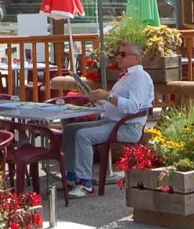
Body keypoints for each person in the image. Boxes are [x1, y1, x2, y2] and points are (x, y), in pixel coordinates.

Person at [62, 41, 154, 198]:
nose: (118, 57)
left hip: (126, 127)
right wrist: (98, 100)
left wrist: (107, 96)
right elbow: (113, 103)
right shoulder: (127, 77)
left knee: (83, 135)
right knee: (70, 129)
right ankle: (73, 176)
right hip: (111, 121)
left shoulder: (140, 77)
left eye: (123, 54)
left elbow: (133, 107)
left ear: (137, 58)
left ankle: (85, 184)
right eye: (118, 54)